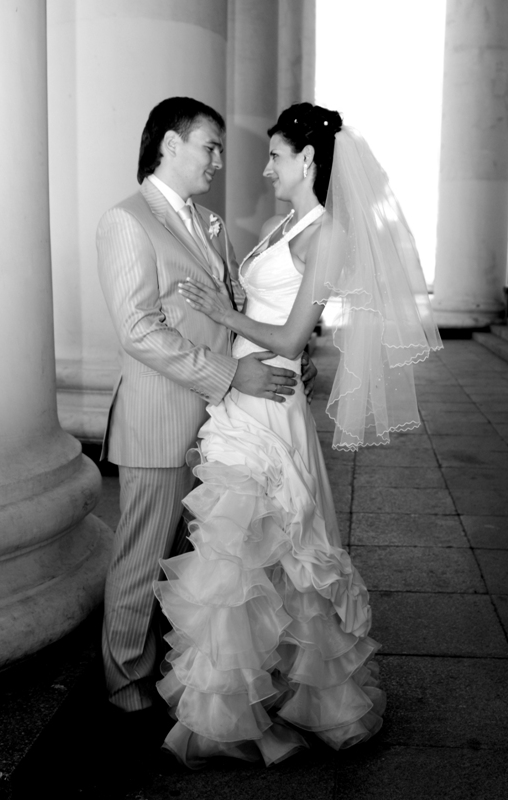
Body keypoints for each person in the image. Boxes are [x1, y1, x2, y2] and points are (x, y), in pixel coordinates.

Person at [154, 102, 442, 767]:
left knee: (259, 551)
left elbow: (289, 336)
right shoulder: (283, 225)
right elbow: (275, 315)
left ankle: (262, 709)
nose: (266, 168)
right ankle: (234, 708)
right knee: (236, 554)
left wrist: (226, 314)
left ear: (307, 159)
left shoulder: (327, 235)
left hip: (271, 404)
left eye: (276, 155)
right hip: (244, 395)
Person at [96, 97, 316, 720]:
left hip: (223, 424)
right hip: (161, 420)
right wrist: (231, 374)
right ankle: (125, 689)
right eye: (210, 146)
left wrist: (285, 355)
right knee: (142, 560)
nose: (219, 160)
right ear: (170, 144)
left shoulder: (210, 223)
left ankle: (179, 680)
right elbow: (138, 330)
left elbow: (236, 309)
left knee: (194, 563)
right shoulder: (126, 221)